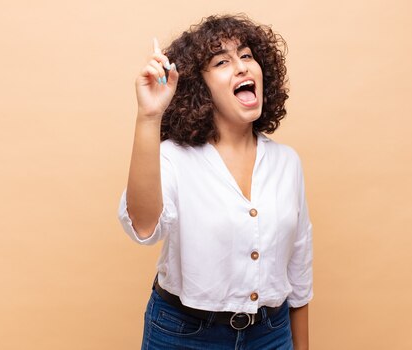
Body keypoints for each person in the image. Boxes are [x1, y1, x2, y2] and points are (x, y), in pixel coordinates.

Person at [118, 14, 313, 349]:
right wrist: (149, 117)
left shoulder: (287, 163)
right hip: (184, 335)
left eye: (247, 55)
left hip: (271, 333)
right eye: (222, 61)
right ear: (200, 86)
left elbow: (299, 270)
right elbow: (144, 226)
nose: (241, 67)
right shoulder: (172, 158)